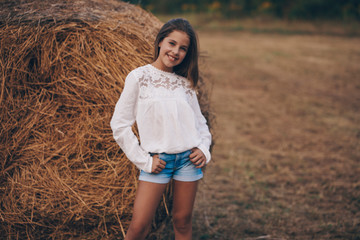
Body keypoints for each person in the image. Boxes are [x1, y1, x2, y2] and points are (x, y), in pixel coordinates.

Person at [110, 18, 212, 240]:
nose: (175, 51)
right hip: (159, 162)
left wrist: (204, 148)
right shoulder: (139, 77)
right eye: (172, 43)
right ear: (160, 42)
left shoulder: (185, 84)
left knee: (183, 222)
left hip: (188, 161)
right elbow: (119, 124)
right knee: (139, 228)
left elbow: (200, 123)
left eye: (183, 48)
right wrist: (144, 161)